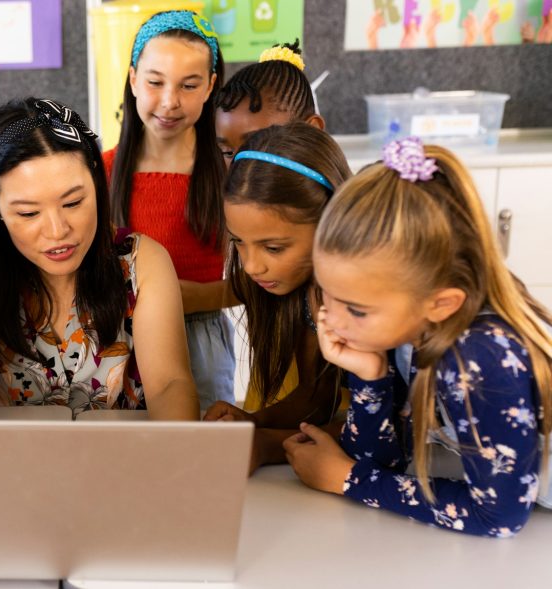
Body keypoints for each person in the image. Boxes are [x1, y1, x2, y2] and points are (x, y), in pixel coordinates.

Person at [285, 138, 552, 536]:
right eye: (326, 291)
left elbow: (499, 516)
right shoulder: (407, 322)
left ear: (442, 304)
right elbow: (388, 461)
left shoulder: (478, 354)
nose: (332, 320)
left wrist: (349, 480)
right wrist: (370, 374)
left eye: (355, 309)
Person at [0, 97, 198, 420]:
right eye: (29, 212)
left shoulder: (142, 261)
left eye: (73, 203)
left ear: (97, 182)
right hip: (7, 464)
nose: (57, 230)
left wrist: (174, 459)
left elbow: (169, 384)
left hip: (130, 462)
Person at [104, 10, 235, 412]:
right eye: (155, 82)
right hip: (113, 342)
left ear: (211, 85)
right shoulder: (100, 170)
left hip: (200, 341)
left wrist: (182, 298)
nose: (169, 102)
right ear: (132, 79)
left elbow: (261, 282)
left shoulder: (231, 172)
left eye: (189, 85)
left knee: (194, 459)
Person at [204, 123, 352, 472]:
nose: (252, 267)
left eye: (273, 247)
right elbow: (316, 396)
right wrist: (251, 422)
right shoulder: (301, 289)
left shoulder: (364, 298)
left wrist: (266, 445)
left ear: (330, 223)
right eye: (238, 241)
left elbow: (386, 429)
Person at [214, 39, 325, 168]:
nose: (237, 168)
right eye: (228, 153)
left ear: (312, 133)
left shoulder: (347, 188)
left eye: (255, 149)